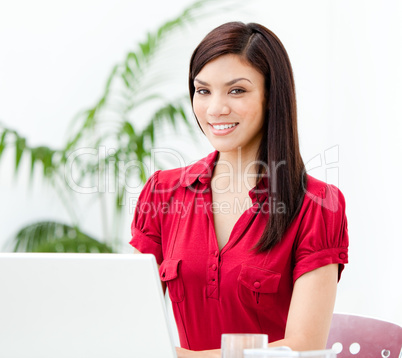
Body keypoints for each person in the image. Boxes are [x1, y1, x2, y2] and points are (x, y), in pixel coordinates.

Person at [130, 22, 349, 357]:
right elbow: (133, 321)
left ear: (272, 96)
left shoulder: (318, 206)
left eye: (236, 91)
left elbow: (303, 347)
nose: (215, 108)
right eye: (203, 90)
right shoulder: (163, 193)